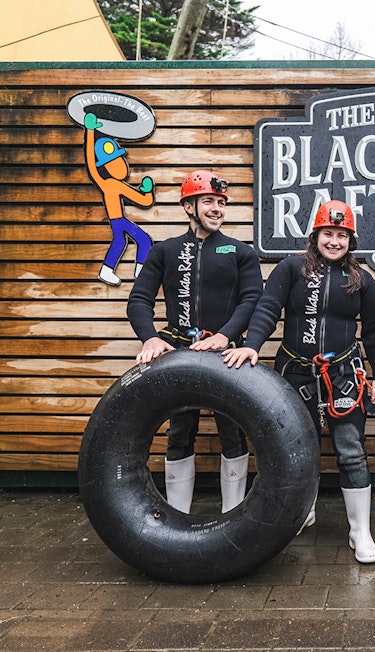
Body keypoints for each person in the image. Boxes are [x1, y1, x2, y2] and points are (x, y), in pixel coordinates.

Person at [222, 200, 375, 564]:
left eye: (341, 235)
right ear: (316, 236)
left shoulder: (362, 279)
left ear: (351, 240)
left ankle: (360, 532)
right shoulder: (290, 268)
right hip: (294, 373)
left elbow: (374, 332)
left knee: (350, 449)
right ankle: (302, 511)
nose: (334, 241)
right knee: (297, 447)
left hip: (344, 375)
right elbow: (266, 308)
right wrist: (251, 347)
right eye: (328, 233)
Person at [127, 170, 263, 514]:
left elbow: (252, 300)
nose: (217, 208)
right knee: (179, 430)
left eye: (221, 202)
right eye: (209, 201)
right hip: (179, 351)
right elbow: (138, 300)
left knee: (232, 431)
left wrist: (224, 335)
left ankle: (233, 515)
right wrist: (151, 338)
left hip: (225, 353)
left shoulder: (241, 252)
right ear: (189, 206)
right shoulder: (165, 251)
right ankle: (178, 516)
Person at [82, 111, 155, 286]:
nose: (122, 163)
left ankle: (107, 270)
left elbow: (143, 201)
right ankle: (139, 271)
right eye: (116, 160)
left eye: (121, 158)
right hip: (118, 219)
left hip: (117, 220)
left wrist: (147, 191)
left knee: (121, 241)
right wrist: (89, 132)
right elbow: (91, 165)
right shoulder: (107, 183)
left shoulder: (115, 184)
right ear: (106, 166)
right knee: (143, 239)